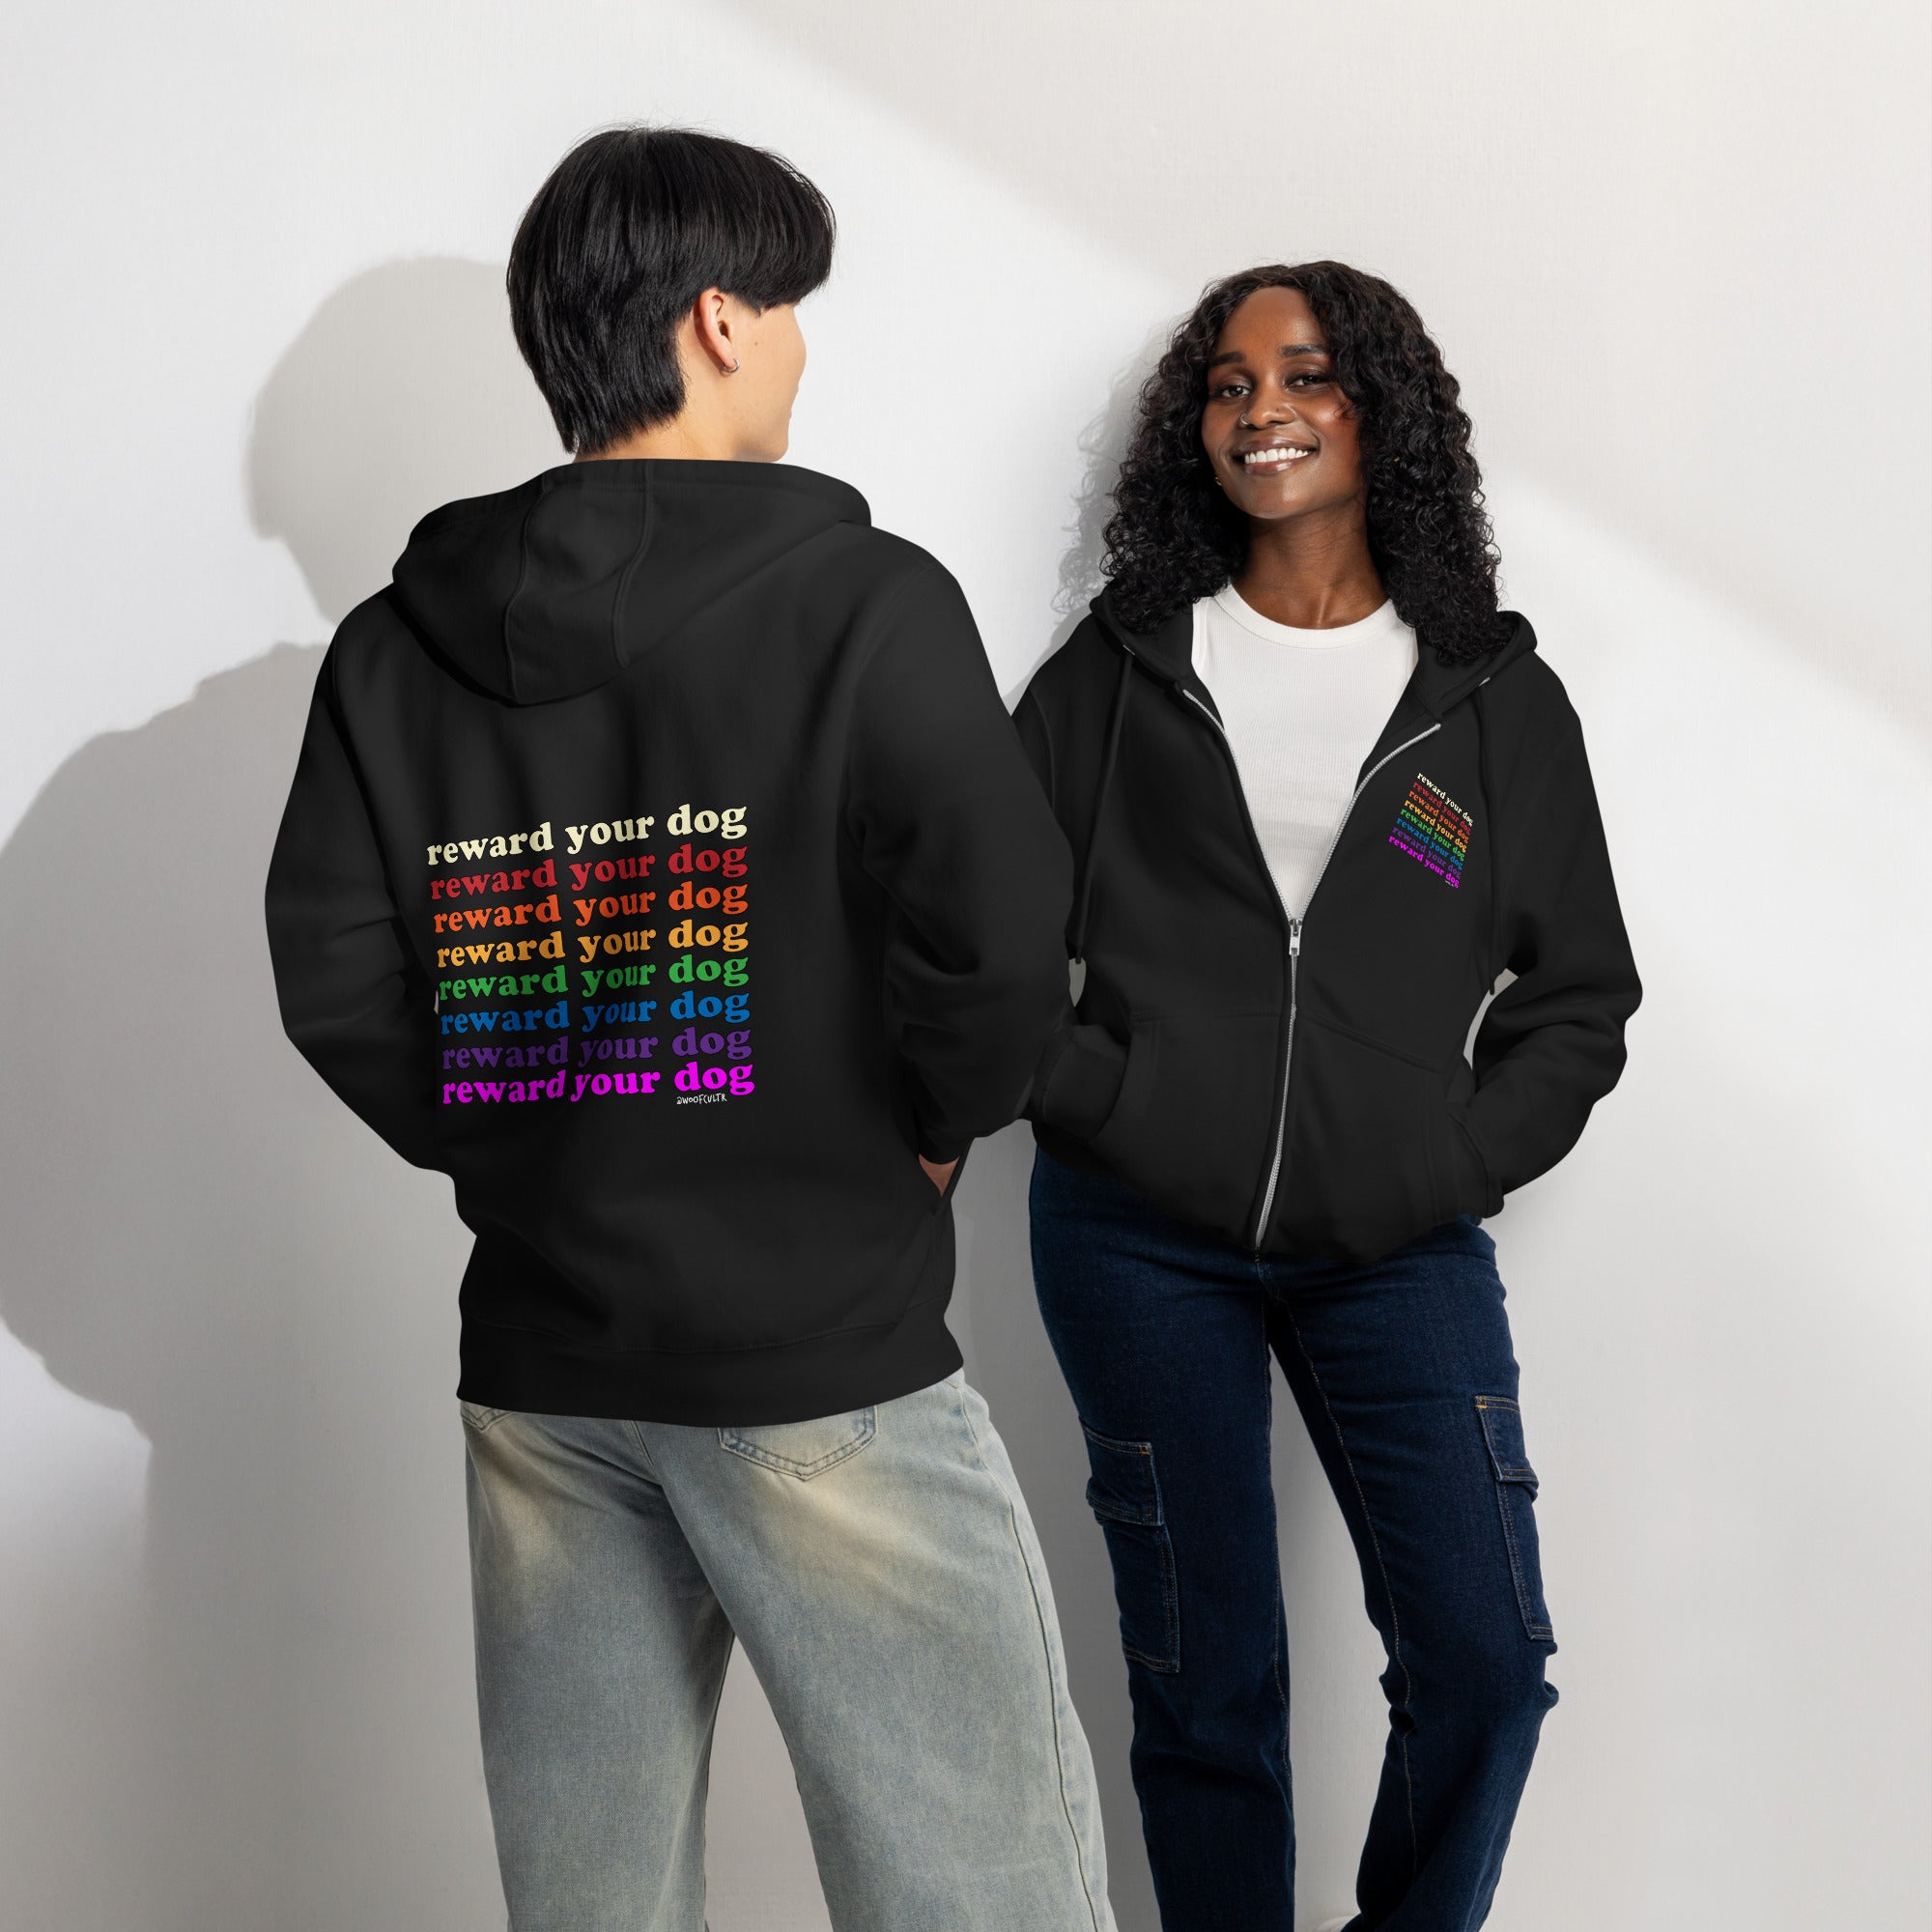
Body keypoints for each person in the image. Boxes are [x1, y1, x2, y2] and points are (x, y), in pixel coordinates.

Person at [266, 127, 1113, 1932]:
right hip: (818, 1356)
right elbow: (1002, 937)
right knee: (982, 1894)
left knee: (594, 1903)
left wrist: (532, 1137)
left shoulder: (390, 656)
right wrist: (935, 1125)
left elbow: (336, 976)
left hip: (546, 1371)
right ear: (720, 320)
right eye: (790, 307)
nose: (800, 345)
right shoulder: (864, 604)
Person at [1016, 263, 1640, 1931]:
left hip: (1396, 1245)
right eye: (1229, 385)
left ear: (1383, 412)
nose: (1263, 411)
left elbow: (1580, 997)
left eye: (1306, 375)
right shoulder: (1116, 674)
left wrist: (1446, 1159)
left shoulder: (1490, 698)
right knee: (1206, 1687)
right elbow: (978, 941)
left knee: (1486, 1663)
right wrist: (1103, 1099)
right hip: (1136, 1239)